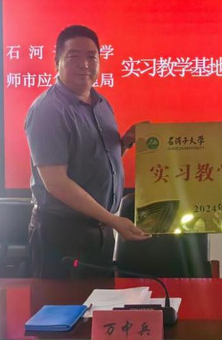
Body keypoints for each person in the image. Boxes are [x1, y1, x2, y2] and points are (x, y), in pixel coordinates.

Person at [25, 24, 149, 278]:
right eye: (73, 56)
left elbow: (96, 163)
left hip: (99, 231)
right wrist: (114, 220)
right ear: (57, 61)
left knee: (100, 301)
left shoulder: (101, 104)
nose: (84, 64)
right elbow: (56, 183)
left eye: (91, 57)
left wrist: (125, 142)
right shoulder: (48, 110)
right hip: (62, 235)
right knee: (62, 303)